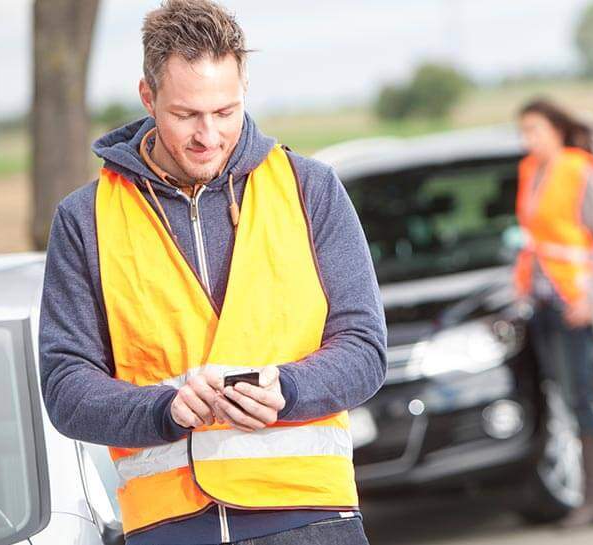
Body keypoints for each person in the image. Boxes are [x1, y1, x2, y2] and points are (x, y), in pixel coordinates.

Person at [38, 1, 387, 544]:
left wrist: (289, 390)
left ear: (244, 88)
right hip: (170, 529)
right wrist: (163, 409)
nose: (209, 135)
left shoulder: (310, 188)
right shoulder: (85, 219)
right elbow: (65, 386)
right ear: (148, 98)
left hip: (311, 520)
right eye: (186, 115)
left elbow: (364, 348)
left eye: (226, 111)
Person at [513, 98, 593, 527]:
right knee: (570, 395)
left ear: (557, 129)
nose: (528, 140)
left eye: (534, 130)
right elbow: (534, 236)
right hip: (541, 302)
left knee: (581, 396)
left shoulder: (579, 169)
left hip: (573, 302)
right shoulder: (530, 170)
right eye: (523, 132)